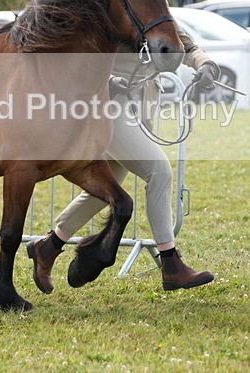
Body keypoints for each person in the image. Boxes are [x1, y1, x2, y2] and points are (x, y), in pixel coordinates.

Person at [27, 23, 219, 293]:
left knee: (103, 189)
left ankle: (48, 246)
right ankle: (171, 264)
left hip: (142, 111)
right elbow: (77, 62)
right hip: (111, 110)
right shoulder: (107, 13)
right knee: (159, 171)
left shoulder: (154, 11)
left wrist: (206, 64)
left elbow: (186, 46)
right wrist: (106, 83)